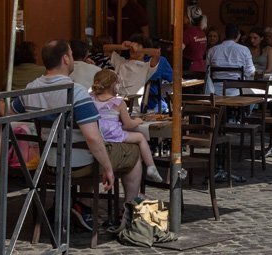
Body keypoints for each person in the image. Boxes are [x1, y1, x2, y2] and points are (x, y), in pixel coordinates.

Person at [14, 40, 143, 229]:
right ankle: (128, 212)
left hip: (49, 162)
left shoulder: (31, 88)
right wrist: (108, 168)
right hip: (79, 163)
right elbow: (92, 137)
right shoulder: (76, 92)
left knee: (94, 150)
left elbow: (8, 110)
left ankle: (83, 206)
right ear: (66, 59)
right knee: (133, 152)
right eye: (72, 55)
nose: (73, 59)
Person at [90, 68, 164, 185]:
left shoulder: (91, 99)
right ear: (114, 85)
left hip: (98, 134)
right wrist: (138, 121)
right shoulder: (118, 102)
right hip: (113, 135)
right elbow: (128, 124)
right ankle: (151, 166)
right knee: (140, 137)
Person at [103, 35, 162, 100]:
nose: (133, 48)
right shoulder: (120, 61)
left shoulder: (146, 66)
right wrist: (122, 47)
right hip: (113, 102)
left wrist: (139, 50)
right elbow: (105, 48)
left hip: (132, 106)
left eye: (138, 45)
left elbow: (156, 53)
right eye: (132, 46)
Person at [206, 23, 254, 93]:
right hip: (237, 92)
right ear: (238, 35)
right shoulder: (244, 50)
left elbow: (207, 71)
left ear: (225, 35)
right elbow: (251, 72)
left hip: (215, 91)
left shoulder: (212, 50)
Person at [183, 5, 208, 76]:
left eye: (185, 15)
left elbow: (178, 49)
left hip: (189, 70)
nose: (183, 17)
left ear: (189, 18)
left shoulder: (188, 33)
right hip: (201, 68)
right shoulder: (202, 32)